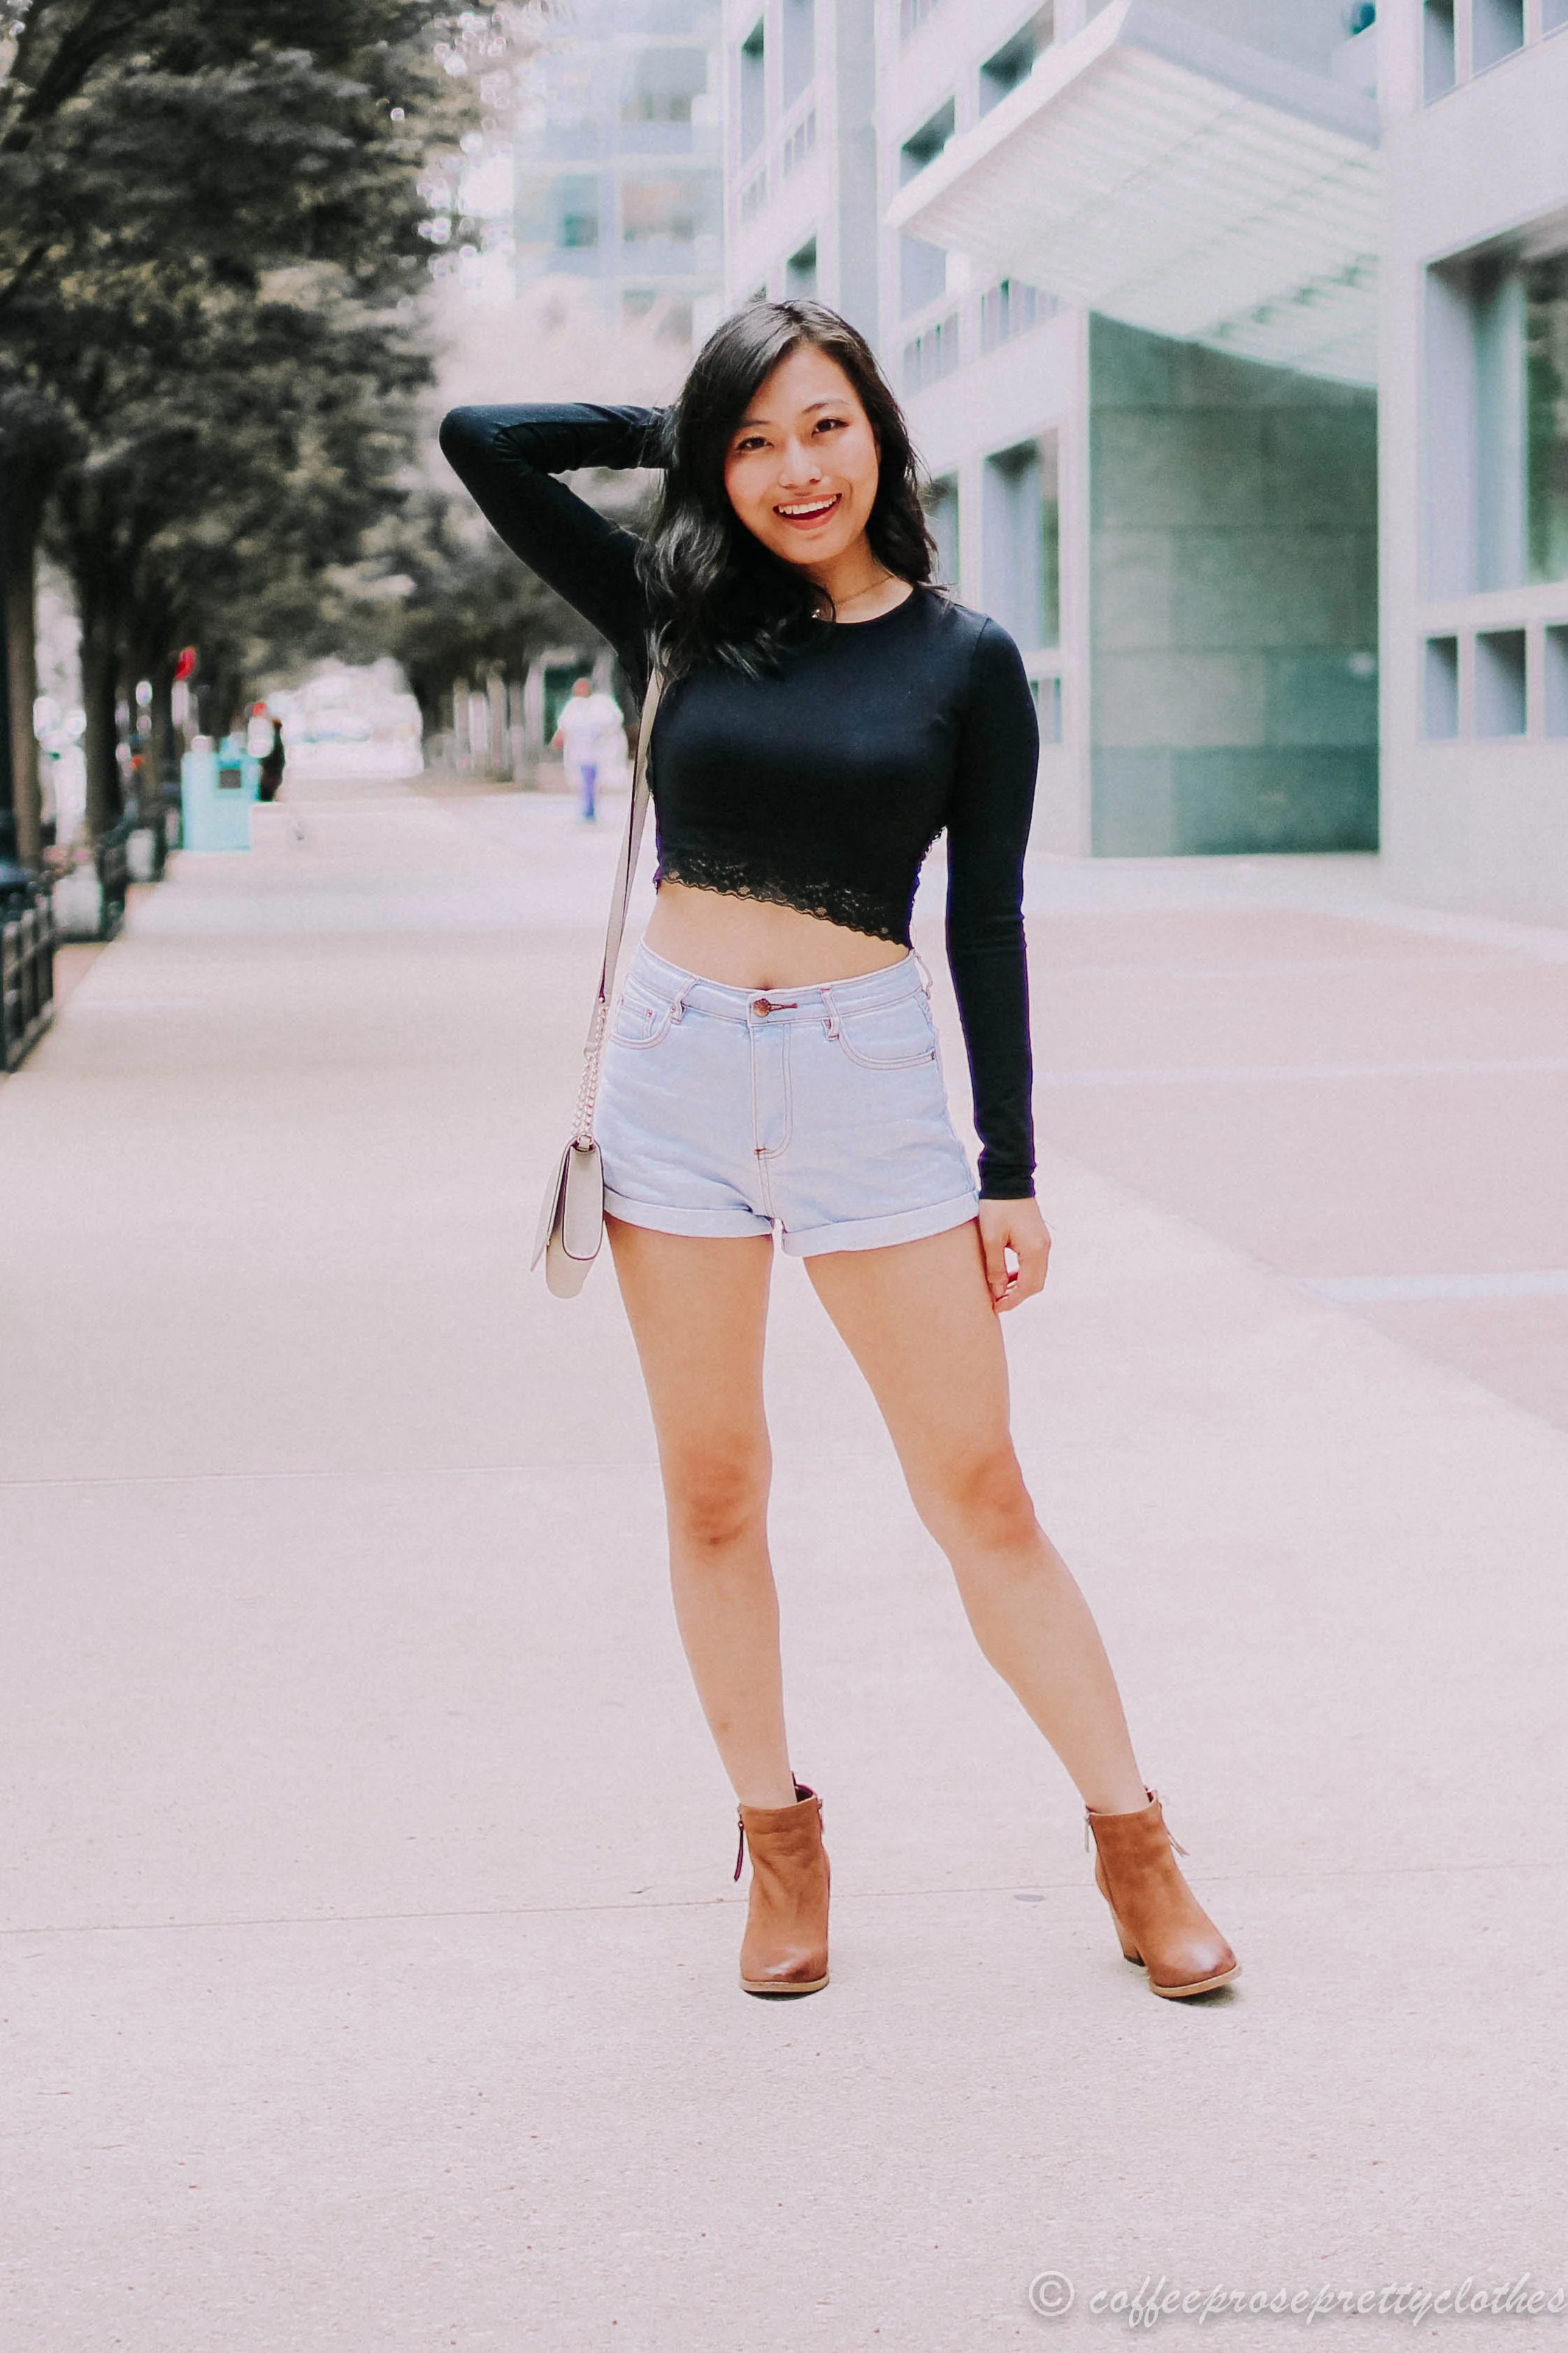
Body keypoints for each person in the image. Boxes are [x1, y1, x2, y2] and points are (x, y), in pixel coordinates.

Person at [440, 302, 1237, 2004]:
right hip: (674, 1077)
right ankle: (778, 1840)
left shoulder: (963, 658)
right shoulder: (670, 612)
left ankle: (1135, 1843)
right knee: (715, 1487)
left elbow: (993, 919)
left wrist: (1007, 1161)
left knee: (983, 1493)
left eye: (822, 427)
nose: (794, 470)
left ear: (881, 431)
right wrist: (692, 416)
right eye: (754, 442)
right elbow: (483, 442)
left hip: (871, 1087)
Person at [552, 674, 624, 822]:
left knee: (591, 781)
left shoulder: (600, 704)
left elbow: (613, 721)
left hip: (596, 752)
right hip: (579, 752)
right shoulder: (573, 706)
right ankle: (587, 810)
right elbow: (564, 726)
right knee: (583, 782)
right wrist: (558, 739)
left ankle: (590, 811)